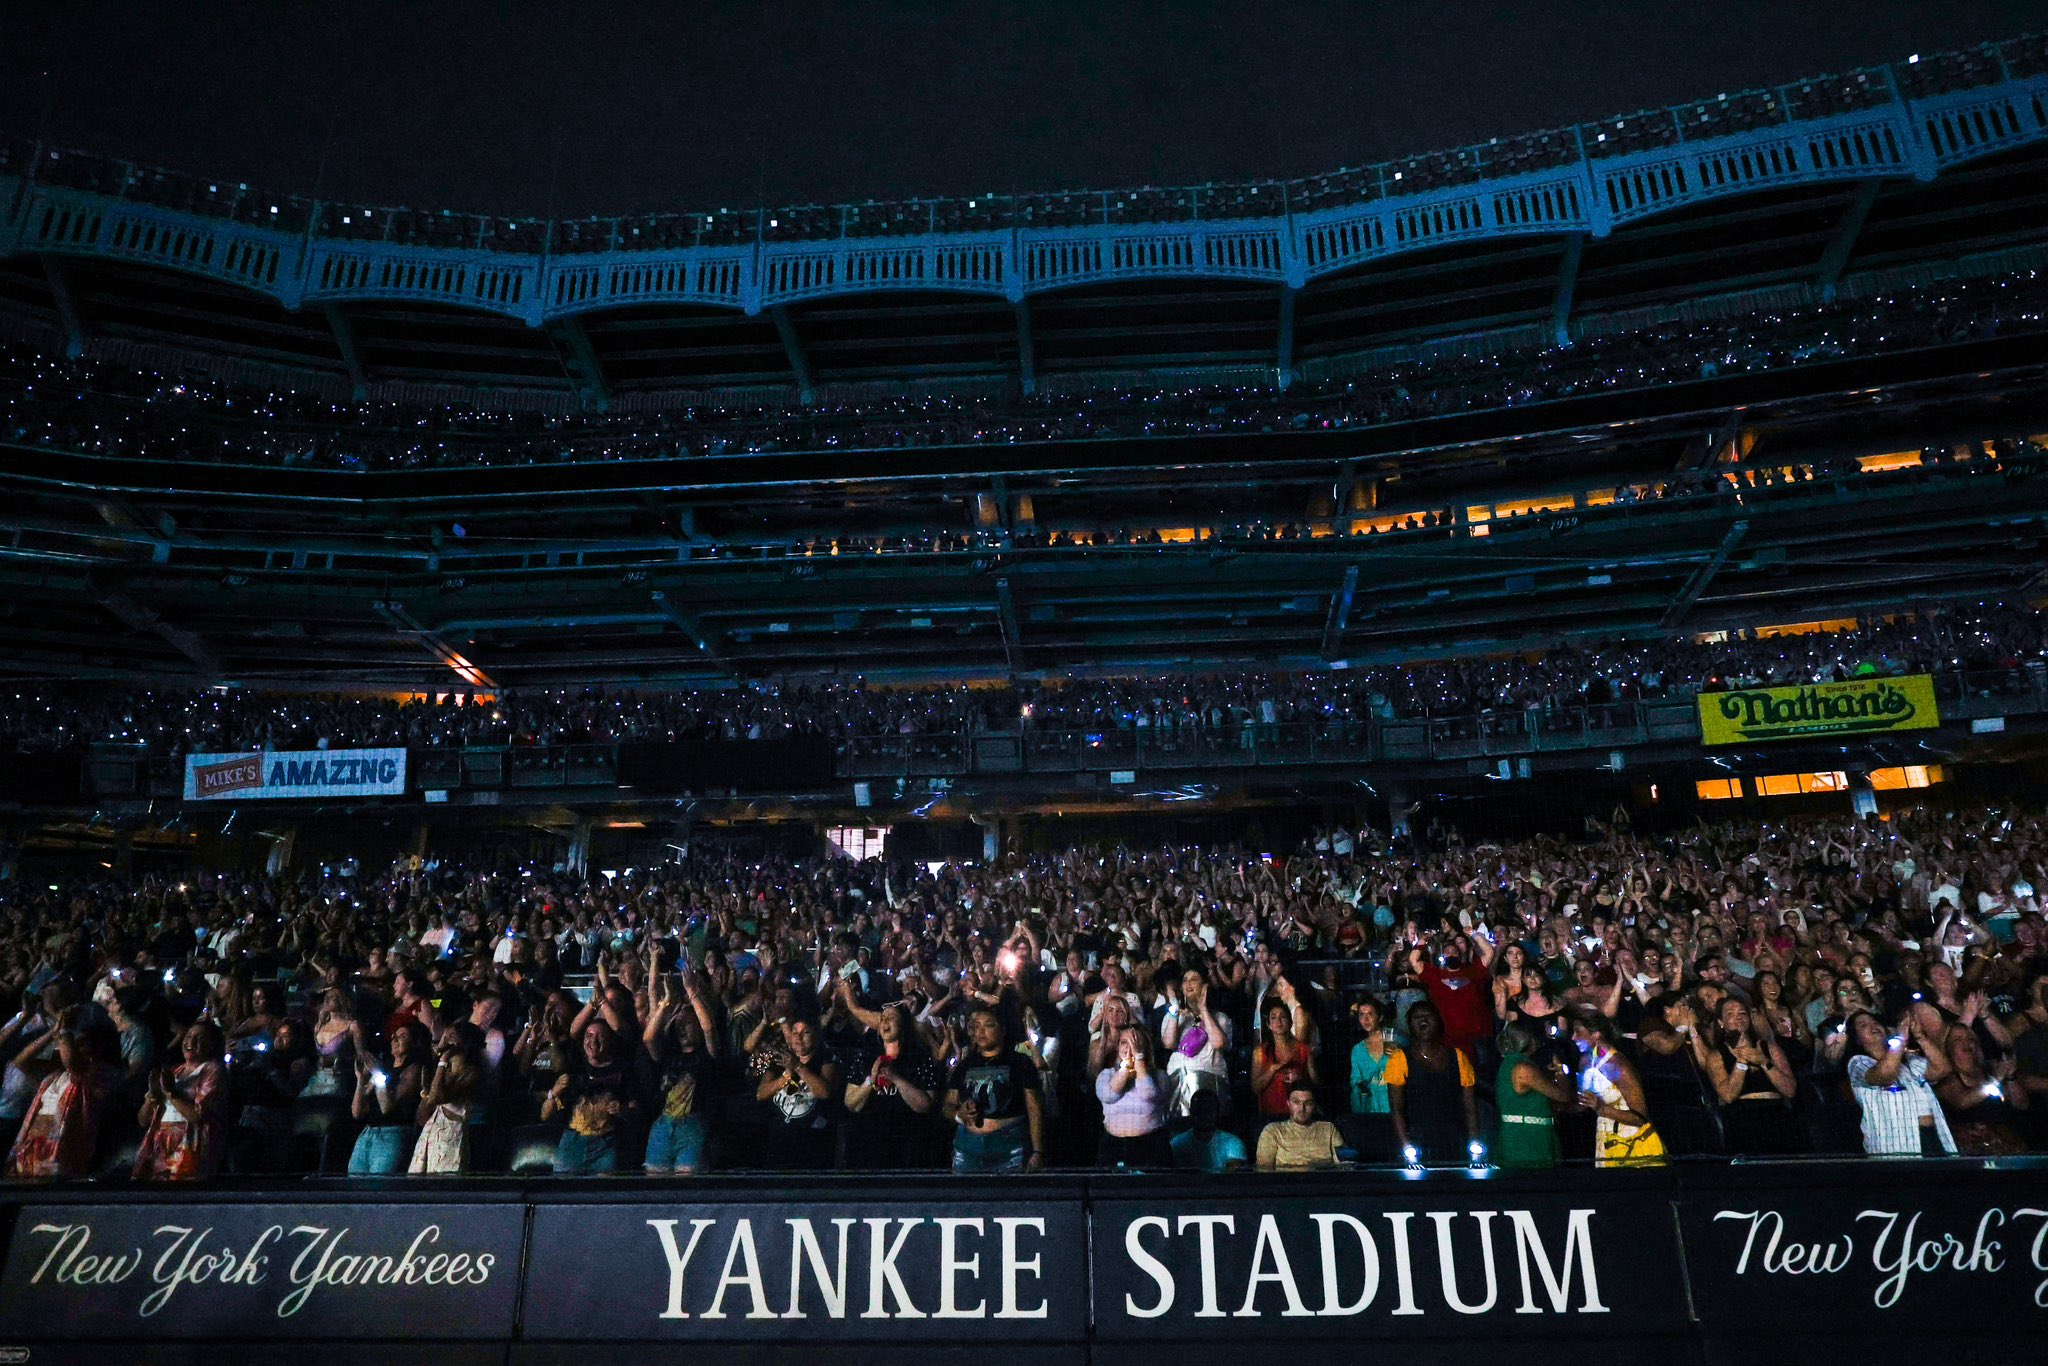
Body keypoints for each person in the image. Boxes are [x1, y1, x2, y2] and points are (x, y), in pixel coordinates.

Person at [944, 1004, 1045, 1173]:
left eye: (988, 1025)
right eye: (976, 1026)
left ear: (1003, 1029)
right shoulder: (965, 1065)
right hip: (968, 1148)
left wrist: (1038, 1151)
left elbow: (1034, 1107)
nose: (981, 1031)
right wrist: (958, 1114)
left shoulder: (1019, 1062)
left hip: (1010, 1146)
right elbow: (947, 1104)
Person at [6, 1025, 117, 1179]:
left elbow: (72, 1063)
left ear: (98, 1047)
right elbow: (20, 1062)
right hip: (34, 1148)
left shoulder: (100, 1073)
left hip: (63, 1153)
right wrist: (53, 1032)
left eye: (81, 1042)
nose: (74, 1045)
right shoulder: (54, 1076)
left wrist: (64, 1031)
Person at [842, 1001, 941, 1169]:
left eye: (891, 1017)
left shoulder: (920, 1059)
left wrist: (895, 1078)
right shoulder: (865, 1057)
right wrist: (870, 1081)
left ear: (903, 1025)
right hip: (869, 1146)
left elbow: (925, 1105)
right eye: (882, 1018)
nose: (885, 1022)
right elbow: (850, 1103)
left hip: (907, 1146)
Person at [1846, 1011, 1957, 1156]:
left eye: (1875, 1022)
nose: (1872, 1025)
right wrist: (1901, 1038)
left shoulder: (1909, 1060)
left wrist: (1920, 1036)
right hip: (1896, 1149)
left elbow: (1943, 1069)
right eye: (1863, 1025)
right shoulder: (1858, 1063)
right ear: (1857, 1039)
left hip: (1934, 1140)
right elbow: (1884, 1075)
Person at [133, 1020, 230, 1181]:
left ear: (212, 1045)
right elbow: (143, 1121)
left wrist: (172, 1094)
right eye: (189, 1035)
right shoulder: (174, 1072)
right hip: (161, 1148)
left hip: (191, 1148)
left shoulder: (213, 1070)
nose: (190, 1041)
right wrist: (152, 1096)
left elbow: (198, 1116)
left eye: (199, 1038)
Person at [1387, 1000, 1481, 1164]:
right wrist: (1406, 1145)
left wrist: (1474, 1142)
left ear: (1438, 1021)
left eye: (1428, 1016)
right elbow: (1397, 1110)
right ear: (1410, 1025)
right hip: (1418, 1142)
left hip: (1455, 1139)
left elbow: (1471, 1108)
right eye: (1417, 1017)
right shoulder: (1400, 1058)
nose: (1423, 1020)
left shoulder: (1457, 1057)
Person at [1574, 1014, 1665, 1167]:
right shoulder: (1585, 1062)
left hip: (1634, 1143)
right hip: (1605, 1138)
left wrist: (1601, 1108)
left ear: (1596, 1034)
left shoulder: (1619, 1066)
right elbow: (1581, 1104)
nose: (1573, 1038)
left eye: (1578, 1032)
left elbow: (1640, 1117)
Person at [349, 1021, 426, 1175]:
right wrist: (360, 1080)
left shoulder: (413, 1069)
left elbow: (386, 1107)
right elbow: (357, 1112)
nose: (395, 1039)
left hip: (392, 1134)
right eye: (394, 1036)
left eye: (402, 1036)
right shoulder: (384, 1069)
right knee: (354, 1185)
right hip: (368, 1133)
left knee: (379, 1185)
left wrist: (377, 1074)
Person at [1494, 1020, 1573, 1170]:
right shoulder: (1524, 1069)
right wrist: (1560, 1071)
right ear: (1530, 1040)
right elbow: (1563, 1096)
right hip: (1528, 1141)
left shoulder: (1509, 1064)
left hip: (1517, 1137)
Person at [410, 1022, 483, 1174]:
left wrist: (443, 1061)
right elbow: (423, 1114)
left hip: (450, 1140)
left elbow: (437, 1097)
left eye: (450, 1037)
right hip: (430, 1138)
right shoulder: (442, 1072)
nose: (444, 1042)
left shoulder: (471, 1073)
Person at [1094, 1024, 1170, 1168]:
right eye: (1124, 1042)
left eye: (1136, 1042)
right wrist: (1125, 1068)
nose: (1129, 1047)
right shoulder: (1106, 1075)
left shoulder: (1160, 1076)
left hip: (1150, 1146)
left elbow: (1149, 1093)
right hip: (1114, 1147)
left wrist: (1139, 1058)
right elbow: (1109, 1095)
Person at [1160, 970, 1230, 1118]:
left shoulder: (1220, 1017)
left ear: (1204, 986)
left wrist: (1203, 1009)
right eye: (1185, 980)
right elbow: (1168, 1043)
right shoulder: (1172, 1017)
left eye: (1194, 979)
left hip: (1208, 1079)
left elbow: (1218, 1043)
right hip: (1177, 1080)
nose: (1188, 983)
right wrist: (1174, 1008)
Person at [1342, 995, 1400, 1162]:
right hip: (1369, 1106)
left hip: (1392, 1104)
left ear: (1380, 1016)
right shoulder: (1358, 1049)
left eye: (1370, 1014)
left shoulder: (1395, 1041)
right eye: (1361, 1014)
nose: (1365, 1019)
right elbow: (1355, 1079)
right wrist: (1359, 1086)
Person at [1251, 998, 1319, 1119]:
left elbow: (1316, 1084)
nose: (1278, 1021)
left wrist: (1301, 1079)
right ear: (1269, 1025)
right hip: (1270, 1115)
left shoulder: (1304, 1050)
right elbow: (1255, 1088)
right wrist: (1271, 1070)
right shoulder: (1260, 1052)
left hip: (1298, 1116)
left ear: (1290, 1022)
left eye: (1283, 1017)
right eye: (1273, 1017)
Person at [1256, 1079, 1344, 1171]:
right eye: (1296, 1102)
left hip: (1322, 1183)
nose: (1302, 1109)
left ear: (1314, 1105)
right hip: (1286, 1183)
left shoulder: (1328, 1129)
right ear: (1288, 1103)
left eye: (1308, 1103)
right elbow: (1264, 1172)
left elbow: (1342, 1166)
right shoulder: (1272, 1131)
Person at [1170, 1088, 1249, 1173]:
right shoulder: (1177, 1144)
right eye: (1199, 1111)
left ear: (1217, 1112)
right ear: (1191, 1112)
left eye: (1209, 1111)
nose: (1204, 1115)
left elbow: (1234, 1179)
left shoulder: (1233, 1143)